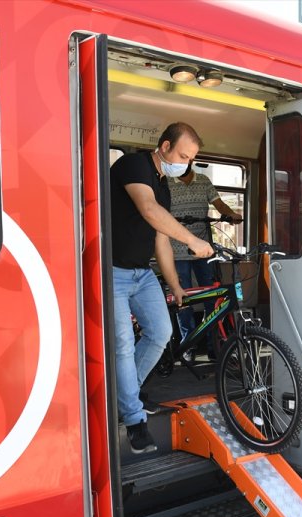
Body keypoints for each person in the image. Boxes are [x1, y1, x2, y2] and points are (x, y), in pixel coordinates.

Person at [109, 122, 214, 453]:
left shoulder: (164, 185)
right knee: (123, 344)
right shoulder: (133, 165)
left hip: (142, 274)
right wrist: (194, 240)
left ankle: (125, 393)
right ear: (165, 146)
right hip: (111, 272)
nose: (184, 164)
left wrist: (175, 285)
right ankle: (135, 419)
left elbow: (161, 241)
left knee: (160, 333)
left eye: (191, 159)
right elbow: (149, 211)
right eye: (182, 155)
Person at [169, 161, 242, 360]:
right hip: (176, 250)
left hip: (203, 248)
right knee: (183, 298)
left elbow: (218, 203)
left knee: (212, 294)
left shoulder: (203, 180)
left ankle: (214, 344)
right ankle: (188, 344)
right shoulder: (166, 182)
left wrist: (230, 214)